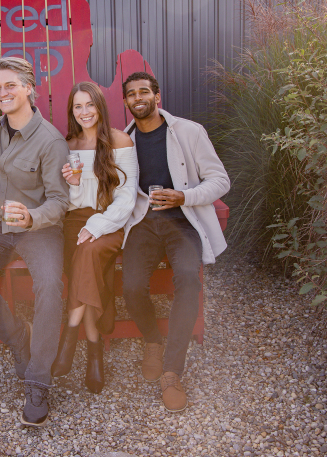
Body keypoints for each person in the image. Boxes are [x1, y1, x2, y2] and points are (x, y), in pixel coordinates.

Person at [0, 56, 69, 427]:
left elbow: (60, 201)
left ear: (29, 88)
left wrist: (33, 216)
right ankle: (18, 337)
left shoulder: (51, 140)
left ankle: (38, 379)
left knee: (50, 286)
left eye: (10, 86)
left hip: (38, 229)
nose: (2, 93)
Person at [120, 71, 230, 412]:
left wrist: (184, 196)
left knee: (187, 279)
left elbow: (220, 180)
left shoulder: (188, 132)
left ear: (157, 97)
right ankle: (152, 339)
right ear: (125, 102)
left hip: (182, 222)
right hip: (142, 222)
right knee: (132, 285)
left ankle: (172, 370)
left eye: (144, 92)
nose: (138, 98)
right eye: (131, 94)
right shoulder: (123, 141)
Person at [51, 82, 137, 394]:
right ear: (72, 112)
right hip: (74, 221)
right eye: (78, 106)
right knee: (84, 264)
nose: (85, 112)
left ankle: (69, 335)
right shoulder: (70, 144)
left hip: (110, 222)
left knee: (86, 253)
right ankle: (94, 353)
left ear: (100, 106)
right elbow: (72, 200)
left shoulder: (119, 140)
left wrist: (99, 224)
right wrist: (73, 182)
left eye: (90, 105)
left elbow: (126, 197)